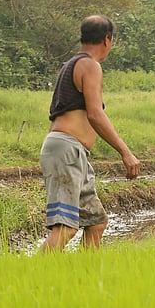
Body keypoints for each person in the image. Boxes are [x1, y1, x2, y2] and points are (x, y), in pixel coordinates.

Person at [40, 14, 140, 252]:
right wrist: (125, 152)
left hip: (72, 152)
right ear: (107, 40)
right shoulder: (90, 65)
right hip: (67, 150)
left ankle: (87, 277)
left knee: (96, 223)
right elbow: (95, 114)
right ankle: (33, 279)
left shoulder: (70, 65)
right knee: (66, 227)